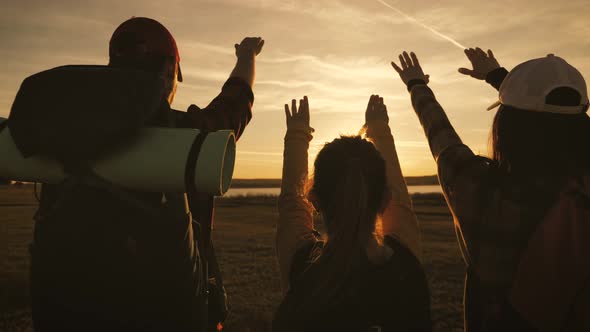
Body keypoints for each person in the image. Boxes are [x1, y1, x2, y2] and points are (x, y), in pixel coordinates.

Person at [31, 17, 264, 332]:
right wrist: (247, 56)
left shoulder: (64, 135)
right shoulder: (186, 135)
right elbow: (235, 101)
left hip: (70, 312)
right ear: (169, 72)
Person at [391, 49, 590, 331]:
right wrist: (500, 78)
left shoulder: (484, 192)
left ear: (507, 126)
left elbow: (442, 137)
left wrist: (416, 84)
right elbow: (554, 117)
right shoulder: (581, 196)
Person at [273, 95, 431, 331]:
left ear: (314, 200)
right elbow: (400, 204)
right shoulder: (406, 264)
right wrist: (379, 129)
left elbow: (292, 206)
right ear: (384, 199)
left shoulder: (301, 266)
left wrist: (297, 134)